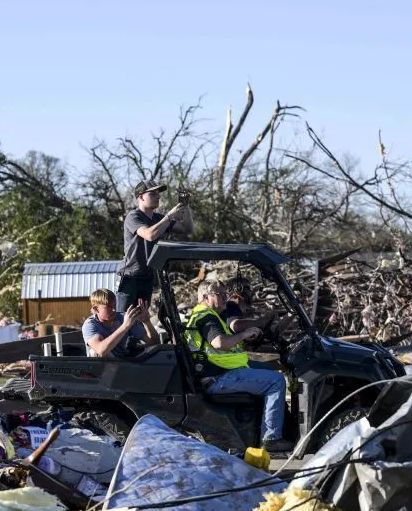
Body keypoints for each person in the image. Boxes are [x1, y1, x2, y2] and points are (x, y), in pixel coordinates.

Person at [184, 281, 292, 451]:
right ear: (206, 297)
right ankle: (271, 439)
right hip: (219, 377)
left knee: (269, 373)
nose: (225, 299)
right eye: (220, 295)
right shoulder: (207, 316)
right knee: (276, 381)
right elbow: (219, 343)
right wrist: (244, 333)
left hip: (220, 373)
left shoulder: (206, 315)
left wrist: (245, 337)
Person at [117, 179, 193, 311]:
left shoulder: (158, 218)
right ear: (140, 197)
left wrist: (184, 206)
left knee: (142, 319)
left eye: (158, 193)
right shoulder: (133, 216)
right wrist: (169, 216)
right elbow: (149, 235)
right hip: (130, 277)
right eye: (152, 194)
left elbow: (187, 228)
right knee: (123, 318)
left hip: (148, 277)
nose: (158, 196)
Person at [82, 288, 159, 358]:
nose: (114, 310)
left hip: (123, 362)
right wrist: (125, 326)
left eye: (114, 305)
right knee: (95, 353)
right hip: (104, 369)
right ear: (96, 309)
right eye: (108, 307)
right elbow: (101, 351)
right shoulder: (90, 325)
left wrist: (146, 322)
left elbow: (154, 342)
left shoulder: (123, 318)